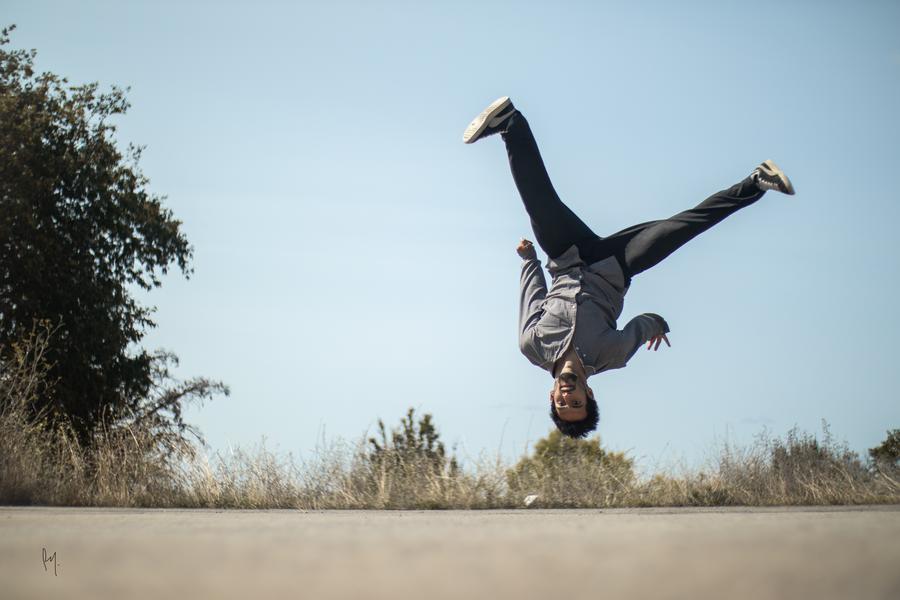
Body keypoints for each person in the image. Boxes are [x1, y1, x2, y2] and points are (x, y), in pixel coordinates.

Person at [462, 96, 795, 438]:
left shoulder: (532, 345)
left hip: (565, 255)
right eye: (576, 403)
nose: (567, 397)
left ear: (551, 396)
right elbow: (644, 324)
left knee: (538, 201)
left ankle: (509, 122)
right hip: (616, 265)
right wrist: (659, 325)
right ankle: (756, 181)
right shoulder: (614, 354)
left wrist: (529, 260)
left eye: (562, 404)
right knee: (680, 229)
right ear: (589, 394)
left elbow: (532, 296)